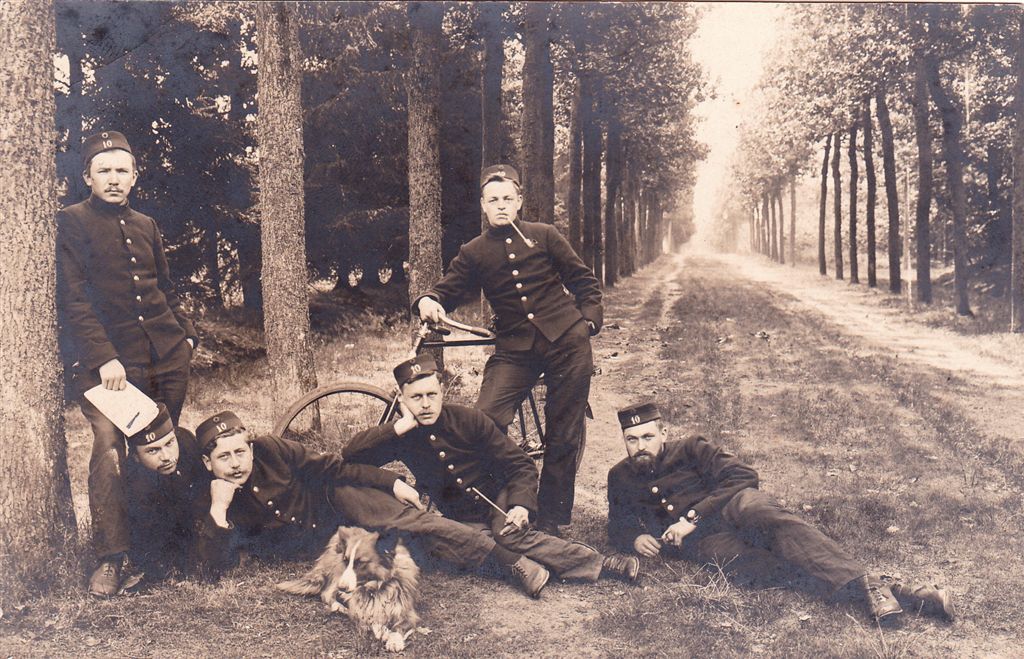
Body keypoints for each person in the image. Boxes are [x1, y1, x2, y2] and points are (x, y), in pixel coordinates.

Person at [606, 402, 954, 622]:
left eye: (647, 437)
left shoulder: (691, 448)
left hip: (735, 508)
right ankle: (899, 592)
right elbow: (617, 524)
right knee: (775, 568)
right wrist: (634, 537)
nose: (640, 447)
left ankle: (884, 589)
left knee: (772, 520)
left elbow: (744, 476)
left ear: (663, 433)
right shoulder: (619, 476)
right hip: (708, 542)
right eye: (631, 440)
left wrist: (690, 518)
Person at [344, 354, 640, 592]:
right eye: (416, 397)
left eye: (431, 394)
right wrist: (398, 428)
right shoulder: (403, 435)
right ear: (402, 399)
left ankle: (602, 564)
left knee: (506, 535)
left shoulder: (469, 420)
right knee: (448, 542)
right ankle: (528, 566)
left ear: (442, 391)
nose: (425, 404)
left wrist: (521, 505)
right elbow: (350, 455)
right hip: (461, 516)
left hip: (501, 496)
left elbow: (520, 464)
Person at [415, 164, 601, 535]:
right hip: (515, 350)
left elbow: (584, 281)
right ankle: (498, 501)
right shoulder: (474, 251)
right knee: (485, 419)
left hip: (567, 342)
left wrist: (588, 323)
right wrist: (428, 299)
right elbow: (447, 288)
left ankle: (550, 519)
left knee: (563, 431)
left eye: (507, 199)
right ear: (483, 206)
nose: (501, 205)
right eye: (493, 200)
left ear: (518, 202)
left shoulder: (544, 235)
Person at [190, 410, 555, 598]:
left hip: (339, 500)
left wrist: (391, 482)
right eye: (224, 457)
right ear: (208, 463)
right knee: (420, 552)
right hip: (329, 542)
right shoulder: (210, 495)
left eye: (240, 452)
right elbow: (213, 568)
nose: (235, 464)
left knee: (411, 523)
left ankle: (512, 561)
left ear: (251, 448)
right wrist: (218, 511)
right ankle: (500, 549)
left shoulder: (272, 449)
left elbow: (335, 467)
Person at [56, 130, 199, 597]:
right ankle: (112, 556)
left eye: (122, 170)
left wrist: (186, 335)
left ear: (135, 177)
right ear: (87, 177)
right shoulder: (71, 222)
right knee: (109, 449)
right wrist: (104, 357)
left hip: (167, 358)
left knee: (159, 448)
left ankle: (162, 544)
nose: (114, 179)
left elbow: (164, 288)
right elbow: (74, 300)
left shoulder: (146, 224)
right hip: (110, 371)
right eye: (104, 171)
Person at [121, 403, 206, 583]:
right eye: (153, 450)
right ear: (136, 457)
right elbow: (146, 547)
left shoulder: (186, 443)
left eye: (169, 443)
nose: (166, 457)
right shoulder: (133, 483)